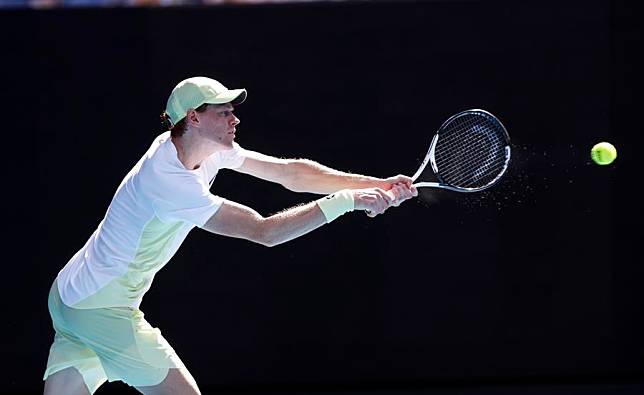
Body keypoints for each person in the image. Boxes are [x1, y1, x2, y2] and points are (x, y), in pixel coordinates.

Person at [42, 76, 417, 395]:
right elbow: (263, 232)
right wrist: (347, 201)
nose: (235, 119)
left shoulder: (199, 148)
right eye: (224, 112)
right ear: (194, 118)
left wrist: (376, 184)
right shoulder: (168, 180)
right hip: (100, 308)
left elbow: (291, 173)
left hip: (68, 296)